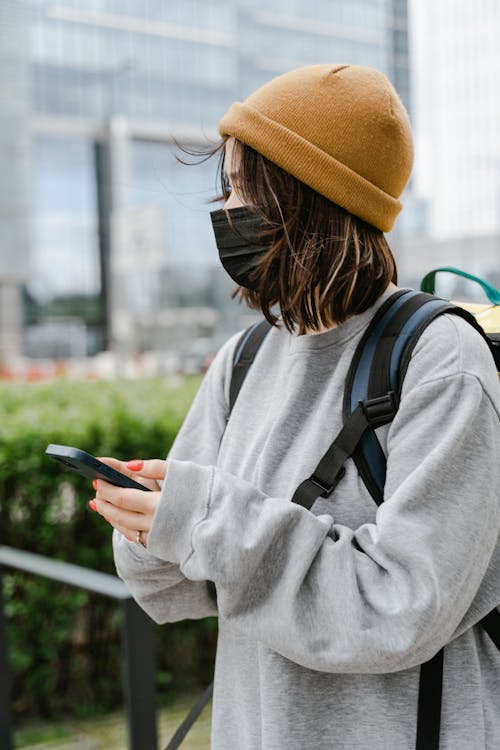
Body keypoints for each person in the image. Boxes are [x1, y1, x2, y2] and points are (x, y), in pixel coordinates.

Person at [91, 64, 500, 749]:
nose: (227, 210)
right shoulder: (242, 363)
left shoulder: (439, 360)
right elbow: (184, 588)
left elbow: (403, 605)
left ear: (310, 197)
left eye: (245, 188)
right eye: (227, 189)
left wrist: (204, 519)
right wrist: (152, 526)